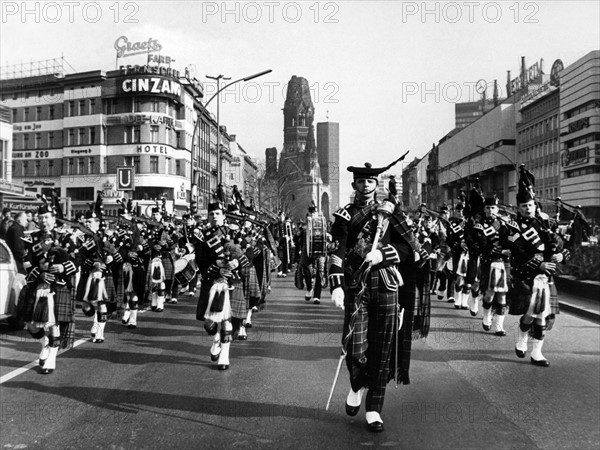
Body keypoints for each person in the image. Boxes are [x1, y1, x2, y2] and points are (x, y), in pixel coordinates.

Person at [329, 157, 427, 432]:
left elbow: (410, 250)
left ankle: (374, 408)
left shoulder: (391, 212)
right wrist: (336, 284)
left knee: (382, 349)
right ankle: (356, 385)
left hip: (385, 284)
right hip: (356, 285)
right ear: (354, 184)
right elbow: (337, 250)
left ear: (377, 183)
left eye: (370, 181)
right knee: (355, 347)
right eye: (361, 181)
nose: (366, 185)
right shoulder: (344, 216)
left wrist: (382, 253)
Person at [508, 166, 568, 367]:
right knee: (530, 313)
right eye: (524, 205)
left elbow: (561, 245)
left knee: (543, 314)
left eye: (530, 205)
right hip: (526, 275)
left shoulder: (547, 224)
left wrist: (560, 255)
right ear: (518, 208)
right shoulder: (514, 227)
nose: (528, 208)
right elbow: (518, 252)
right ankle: (522, 337)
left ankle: (537, 353)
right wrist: (539, 263)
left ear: (535, 205)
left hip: (546, 276)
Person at [19, 201, 78, 374]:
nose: (43, 221)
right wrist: (40, 274)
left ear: (53, 219)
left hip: (58, 285)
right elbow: (27, 262)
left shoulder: (65, 238)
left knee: (54, 325)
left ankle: (51, 358)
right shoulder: (30, 238)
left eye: (46, 217)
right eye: (40, 217)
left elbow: (77, 260)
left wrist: (63, 267)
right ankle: (45, 343)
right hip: (38, 284)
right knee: (31, 325)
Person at [196, 200, 249, 370]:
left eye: (217, 214)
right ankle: (216, 338)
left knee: (227, 322)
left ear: (224, 216)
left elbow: (249, 252)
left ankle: (224, 357)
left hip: (232, 281)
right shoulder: (202, 235)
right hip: (212, 281)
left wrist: (237, 263)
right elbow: (200, 260)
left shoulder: (234, 233)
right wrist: (216, 269)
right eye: (211, 214)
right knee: (209, 324)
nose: (214, 217)